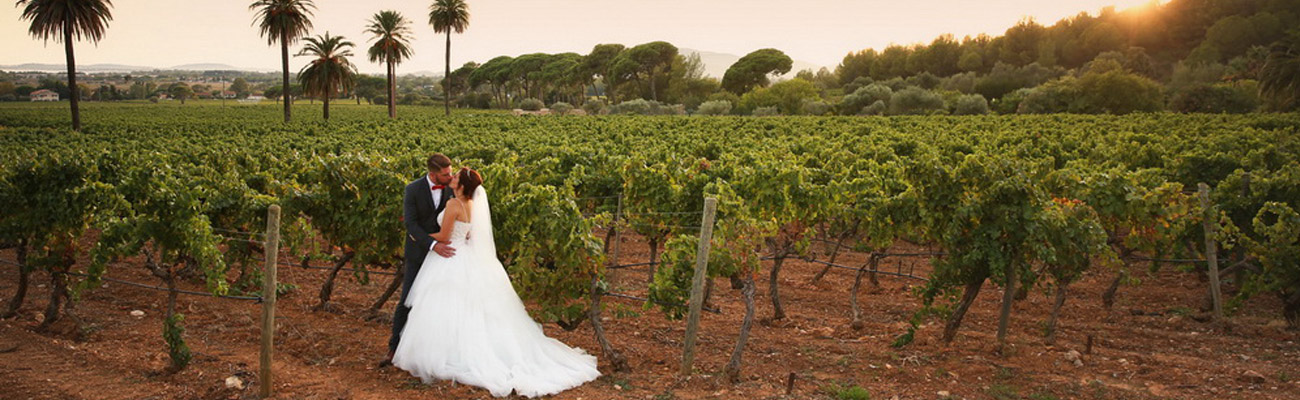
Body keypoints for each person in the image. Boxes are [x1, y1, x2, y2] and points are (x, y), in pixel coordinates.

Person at [392, 167, 600, 398]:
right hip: (467, 255)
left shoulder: (453, 204)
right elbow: (469, 232)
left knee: (447, 306)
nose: (452, 178)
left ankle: (449, 354)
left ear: (461, 185)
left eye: (456, 177)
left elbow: (443, 236)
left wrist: (417, 236)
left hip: (450, 255)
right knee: (470, 309)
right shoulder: (471, 204)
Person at [381, 154, 456, 368]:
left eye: (451, 172)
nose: (450, 176)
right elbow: (411, 225)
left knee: (442, 303)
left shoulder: (453, 188)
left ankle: (437, 352)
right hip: (419, 253)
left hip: (446, 256)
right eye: (446, 174)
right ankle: (393, 348)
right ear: (432, 174)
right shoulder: (412, 189)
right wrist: (433, 245)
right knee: (407, 300)